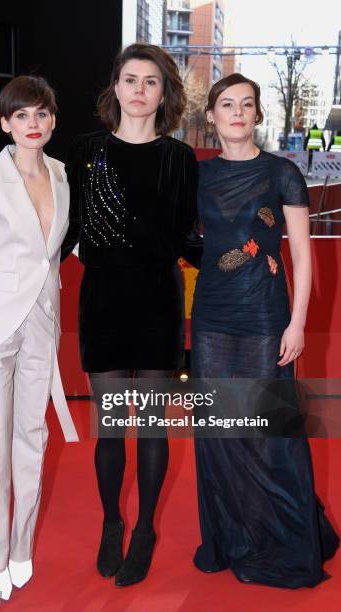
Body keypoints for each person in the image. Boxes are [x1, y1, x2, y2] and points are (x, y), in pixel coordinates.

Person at [60, 43, 201, 586]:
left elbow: (189, 238)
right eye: (130, 79)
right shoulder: (84, 150)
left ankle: (145, 530)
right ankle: (112, 524)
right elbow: (65, 228)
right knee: (112, 427)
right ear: (114, 87)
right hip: (103, 300)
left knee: (152, 429)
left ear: (163, 94)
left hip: (158, 302)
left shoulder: (179, 158)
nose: (139, 90)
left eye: (150, 82)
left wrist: (245, 262)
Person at [191, 73, 339, 588]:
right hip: (210, 318)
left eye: (246, 104)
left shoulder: (283, 173)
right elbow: (185, 241)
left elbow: (301, 254)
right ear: (211, 117)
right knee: (220, 434)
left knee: (270, 433)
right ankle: (234, 536)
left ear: (257, 114)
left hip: (264, 318)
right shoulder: (197, 175)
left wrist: (297, 323)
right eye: (226, 105)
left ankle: (286, 539)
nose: (236, 112)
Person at [0, 75, 78, 600]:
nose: (33, 124)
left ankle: (22, 547)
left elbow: (54, 250)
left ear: (52, 120)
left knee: (33, 438)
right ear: (6, 123)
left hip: (42, 320)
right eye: (22, 115)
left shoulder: (62, 173)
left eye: (42, 114)